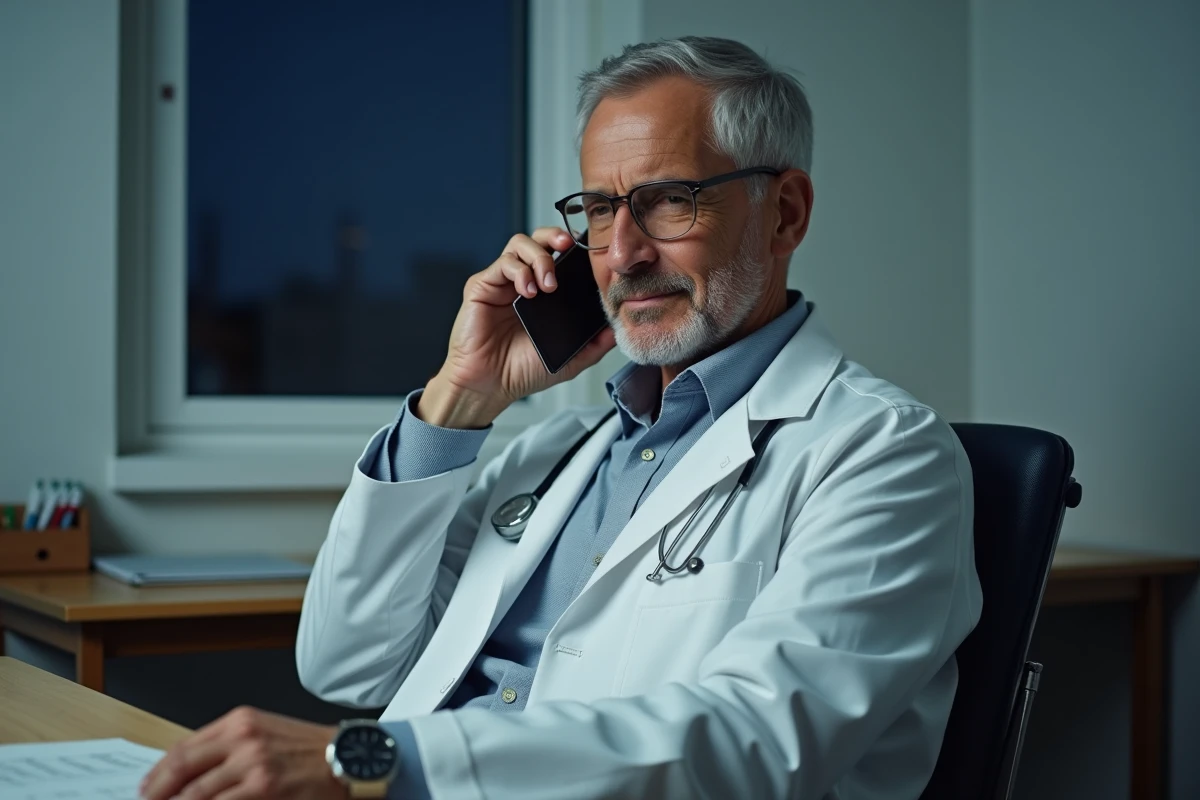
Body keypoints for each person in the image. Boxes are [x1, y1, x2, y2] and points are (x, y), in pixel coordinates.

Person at [141, 36, 981, 800]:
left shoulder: (883, 453)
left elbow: (752, 742)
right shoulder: (553, 451)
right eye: (603, 209)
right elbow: (345, 664)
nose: (622, 254)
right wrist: (461, 400)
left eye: (670, 200)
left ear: (786, 213)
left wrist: (373, 764)